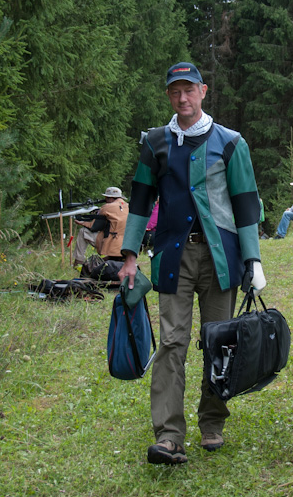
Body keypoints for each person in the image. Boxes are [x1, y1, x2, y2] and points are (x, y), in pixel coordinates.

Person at [118, 61, 266, 466]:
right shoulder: (155, 142)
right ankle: (169, 434)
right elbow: (142, 199)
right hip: (173, 257)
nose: (182, 98)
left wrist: (253, 259)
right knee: (172, 342)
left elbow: (246, 203)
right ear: (169, 96)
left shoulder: (231, 142)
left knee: (220, 342)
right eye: (174, 92)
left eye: (189, 90)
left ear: (203, 91)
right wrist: (130, 256)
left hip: (222, 258)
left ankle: (213, 421)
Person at [70, 186, 129, 267]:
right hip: (127, 244)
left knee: (83, 232)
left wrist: (82, 222)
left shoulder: (107, 207)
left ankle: (78, 262)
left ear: (110, 198)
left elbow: (94, 226)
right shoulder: (128, 206)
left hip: (112, 243)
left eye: (106, 198)